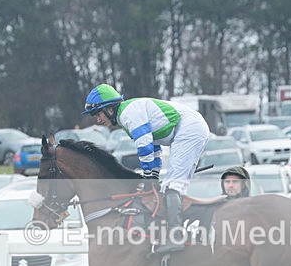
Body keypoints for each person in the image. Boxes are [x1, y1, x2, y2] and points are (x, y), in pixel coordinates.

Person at [82, 84, 210, 254]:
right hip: (190, 128)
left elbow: (145, 147)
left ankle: (176, 237)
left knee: (173, 186)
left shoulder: (129, 114)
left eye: (98, 113)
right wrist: (154, 175)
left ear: (110, 109)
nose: (98, 120)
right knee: (171, 186)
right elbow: (155, 148)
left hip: (189, 128)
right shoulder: (128, 116)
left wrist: (148, 176)